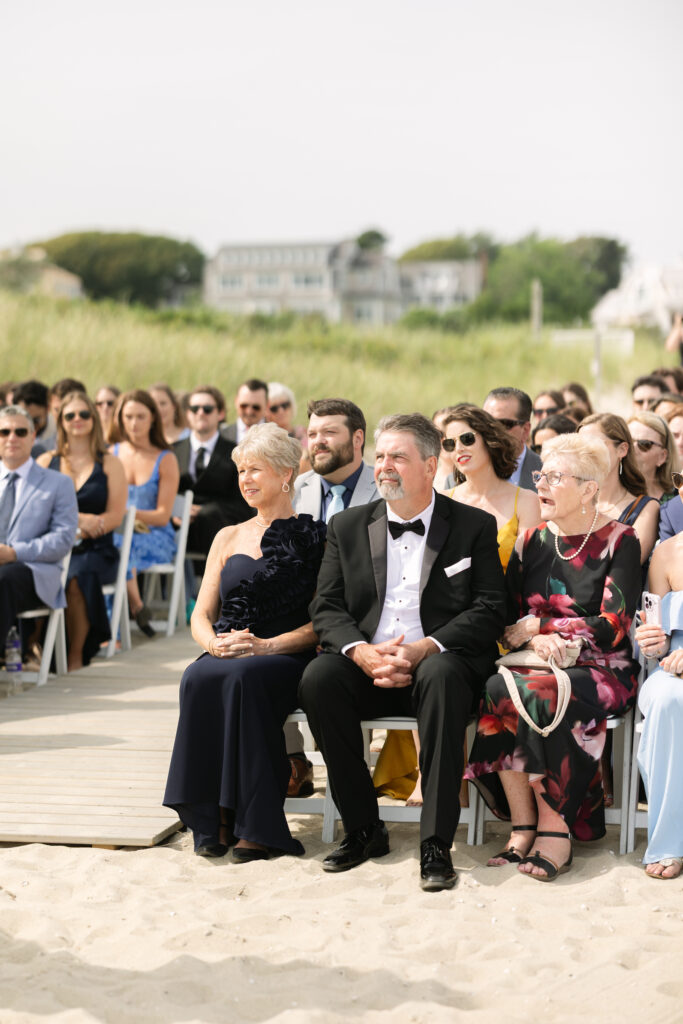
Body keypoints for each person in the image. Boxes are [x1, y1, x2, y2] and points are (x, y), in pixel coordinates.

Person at [299, 413, 506, 892]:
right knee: (318, 679)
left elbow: (491, 607)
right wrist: (359, 652)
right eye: (380, 456)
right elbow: (325, 606)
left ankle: (435, 843)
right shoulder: (347, 526)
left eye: (398, 457)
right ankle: (364, 828)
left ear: (431, 465)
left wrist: (423, 648)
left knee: (442, 675)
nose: (384, 466)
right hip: (367, 665)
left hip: (438, 663)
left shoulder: (472, 526)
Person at [466, 433, 641, 880]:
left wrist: (545, 628)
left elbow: (615, 623)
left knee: (542, 693)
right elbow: (507, 620)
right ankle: (521, 825)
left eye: (555, 477)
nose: (541, 484)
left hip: (603, 667)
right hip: (533, 662)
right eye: (541, 474)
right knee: (496, 688)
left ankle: (554, 826)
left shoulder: (621, 541)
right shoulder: (530, 541)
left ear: (588, 488)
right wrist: (530, 640)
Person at [164, 423, 326, 860]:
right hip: (229, 649)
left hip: (287, 653)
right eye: (241, 472)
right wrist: (213, 645)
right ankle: (213, 818)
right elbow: (200, 614)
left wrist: (268, 646)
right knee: (197, 675)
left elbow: (323, 623)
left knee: (243, 678)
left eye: (256, 469)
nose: (246, 480)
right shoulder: (227, 536)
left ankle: (257, 827)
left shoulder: (318, 538)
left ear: (286, 473)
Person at [374, 406, 540, 806]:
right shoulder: (442, 500)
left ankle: (455, 779)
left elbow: (533, 574)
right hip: (447, 623)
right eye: (449, 442)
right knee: (416, 646)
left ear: (489, 440)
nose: (458, 448)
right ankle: (434, 776)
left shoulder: (525, 500)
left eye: (468, 438)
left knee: (438, 662)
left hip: (506, 619)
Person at [289, 397, 379, 796]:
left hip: (366, 621)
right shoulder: (293, 490)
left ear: (357, 438)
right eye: (311, 434)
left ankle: (350, 781)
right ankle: (293, 760)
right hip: (300, 618)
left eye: (329, 432)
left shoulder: (386, 487)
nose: (317, 442)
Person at [37, 392, 127, 669]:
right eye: (70, 415)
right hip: (55, 545)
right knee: (38, 573)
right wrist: (78, 520)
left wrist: (92, 526)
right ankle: (37, 650)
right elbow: (37, 512)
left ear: (93, 419)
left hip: (97, 548)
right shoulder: (45, 461)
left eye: (84, 414)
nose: (77, 420)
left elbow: (115, 515)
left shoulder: (110, 462)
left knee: (76, 577)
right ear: (61, 421)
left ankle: (76, 655)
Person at [0, 405, 78, 649]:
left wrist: (14, 552)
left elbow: (63, 539)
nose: (12, 438)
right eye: (4, 432)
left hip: (33, 572)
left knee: (3, 578)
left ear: (33, 437)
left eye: (20, 432)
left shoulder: (59, 483)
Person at [111, 390, 180, 637]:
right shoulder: (112, 454)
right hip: (118, 534)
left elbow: (162, 515)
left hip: (155, 535)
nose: (133, 423)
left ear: (152, 418)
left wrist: (125, 514)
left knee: (119, 547)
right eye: (128, 416)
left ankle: (116, 631)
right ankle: (137, 605)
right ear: (119, 418)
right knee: (114, 545)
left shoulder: (166, 458)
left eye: (140, 416)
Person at [634, 537, 683, 878]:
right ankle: (668, 841)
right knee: (667, 699)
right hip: (673, 668)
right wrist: (655, 643)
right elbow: (656, 634)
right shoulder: (666, 553)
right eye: (679, 480)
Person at [174, 386, 253, 560]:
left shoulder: (237, 453)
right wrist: (178, 511)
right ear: (188, 414)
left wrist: (202, 510)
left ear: (221, 414)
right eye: (195, 409)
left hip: (218, 531)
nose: (200, 413)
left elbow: (244, 504)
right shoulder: (173, 451)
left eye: (208, 409)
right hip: (177, 529)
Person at [577, 413, 659, 565]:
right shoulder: (571, 502)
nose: (585, 452)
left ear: (622, 449)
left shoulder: (646, 509)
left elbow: (626, 566)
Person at [483, 387, 541, 490]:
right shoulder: (461, 478)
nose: (493, 431)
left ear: (525, 430)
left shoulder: (547, 474)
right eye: (487, 423)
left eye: (504, 424)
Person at [627, 411, 678, 503]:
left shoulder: (678, 500)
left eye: (644, 444)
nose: (633, 449)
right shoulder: (603, 493)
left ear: (662, 456)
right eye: (628, 442)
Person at [13, 379, 55, 456]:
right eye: (25, 419)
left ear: (48, 409)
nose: (30, 425)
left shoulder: (59, 435)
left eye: (35, 420)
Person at [221, 379, 268, 443]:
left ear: (267, 405)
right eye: (244, 406)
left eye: (256, 407)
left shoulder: (280, 438)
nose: (249, 411)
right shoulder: (221, 436)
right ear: (236, 401)